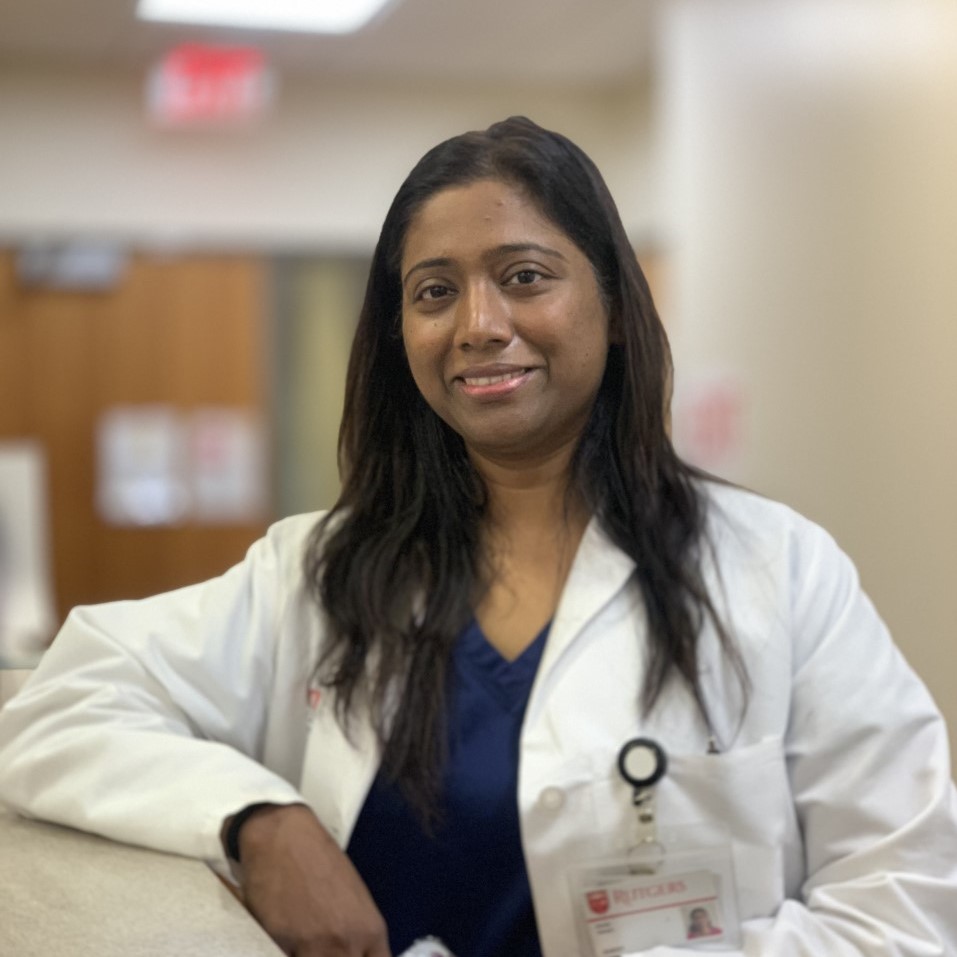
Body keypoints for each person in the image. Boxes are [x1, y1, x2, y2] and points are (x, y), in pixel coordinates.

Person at [0, 116, 955, 957]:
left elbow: (906, 901)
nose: (479, 325)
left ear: (615, 307)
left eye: (524, 277)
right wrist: (259, 816)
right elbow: (58, 706)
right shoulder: (314, 572)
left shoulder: (777, 570)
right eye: (433, 292)